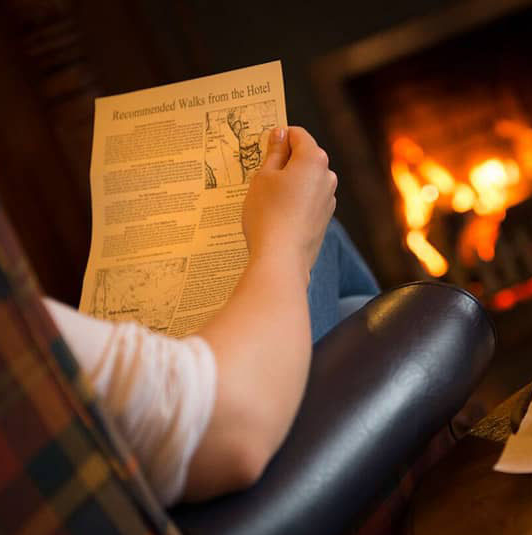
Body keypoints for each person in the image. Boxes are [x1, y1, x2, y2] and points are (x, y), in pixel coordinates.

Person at [42, 126, 379, 506]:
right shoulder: (9, 333)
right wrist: (288, 242)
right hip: (228, 488)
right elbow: (228, 425)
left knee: (352, 309)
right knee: (326, 241)